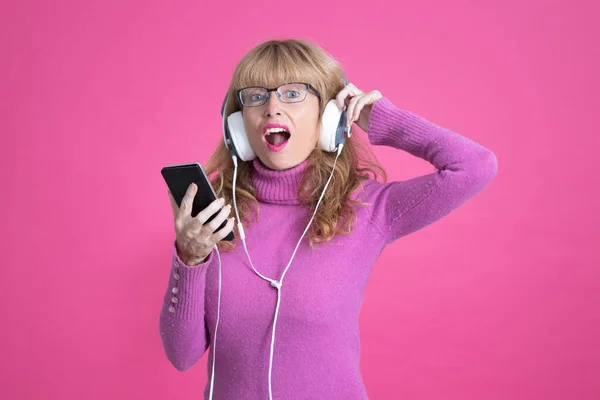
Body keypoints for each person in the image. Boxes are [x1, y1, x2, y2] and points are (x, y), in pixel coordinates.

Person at [159, 39, 498, 400]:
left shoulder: (368, 208)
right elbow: (182, 355)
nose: (272, 108)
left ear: (328, 116)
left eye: (293, 94)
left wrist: (385, 120)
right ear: (238, 126)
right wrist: (189, 258)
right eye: (256, 96)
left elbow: (475, 167)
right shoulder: (213, 215)